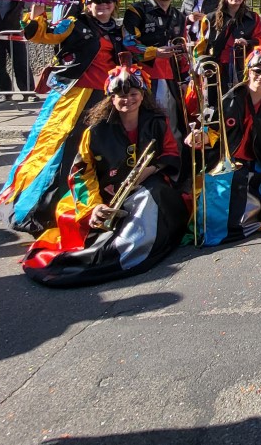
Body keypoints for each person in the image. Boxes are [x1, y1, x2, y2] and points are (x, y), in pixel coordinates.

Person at [22, 62, 185, 288]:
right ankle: (107, 254)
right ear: (111, 98)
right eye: (121, 95)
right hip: (108, 191)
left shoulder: (157, 121)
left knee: (152, 195)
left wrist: (151, 169)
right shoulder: (95, 131)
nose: (128, 100)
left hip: (150, 185)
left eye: (133, 94)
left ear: (143, 95)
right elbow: (81, 173)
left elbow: (170, 153)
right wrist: (94, 207)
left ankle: (130, 249)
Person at [0, 0, 126, 235]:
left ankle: (95, 204)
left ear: (115, 4)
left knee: (100, 151)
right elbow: (39, 34)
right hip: (74, 99)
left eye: (108, 0)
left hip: (106, 99)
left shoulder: (117, 30)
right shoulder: (75, 24)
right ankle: (44, 209)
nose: (102, 5)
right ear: (87, 4)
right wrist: (36, 8)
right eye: (96, 1)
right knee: (61, 151)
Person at [187, 44, 261, 245]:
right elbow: (214, 132)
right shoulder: (230, 98)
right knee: (222, 193)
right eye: (257, 71)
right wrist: (200, 137)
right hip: (229, 159)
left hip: (259, 159)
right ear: (248, 70)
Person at [122, 0, 188, 134]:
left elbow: (182, 51)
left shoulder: (179, 16)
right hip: (143, 78)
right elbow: (128, 43)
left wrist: (185, 79)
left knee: (172, 126)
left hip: (172, 78)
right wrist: (155, 52)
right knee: (145, 124)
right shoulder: (137, 11)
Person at [196, 0, 261, 87]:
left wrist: (247, 42)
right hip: (217, 68)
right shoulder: (210, 18)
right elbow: (201, 47)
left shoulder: (253, 18)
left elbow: (260, 41)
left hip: (243, 67)